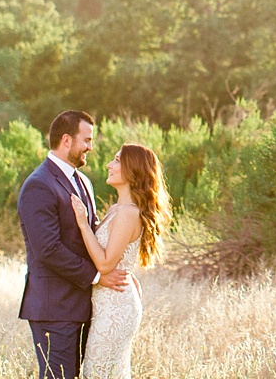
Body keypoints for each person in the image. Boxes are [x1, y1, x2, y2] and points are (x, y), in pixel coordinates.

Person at [17, 110, 132, 379]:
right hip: (53, 309)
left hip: (84, 306)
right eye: (87, 140)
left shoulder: (84, 182)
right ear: (66, 140)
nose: (91, 147)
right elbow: (48, 250)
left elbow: (90, 237)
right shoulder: (38, 185)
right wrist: (96, 276)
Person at [67, 143, 171, 379]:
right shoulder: (118, 208)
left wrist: (83, 223)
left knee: (96, 373)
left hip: (116, 307)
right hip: (108, 302)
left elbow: (104, 265)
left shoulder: (128, 212)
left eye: (116, 161)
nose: (109, 165)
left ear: (131, 170)